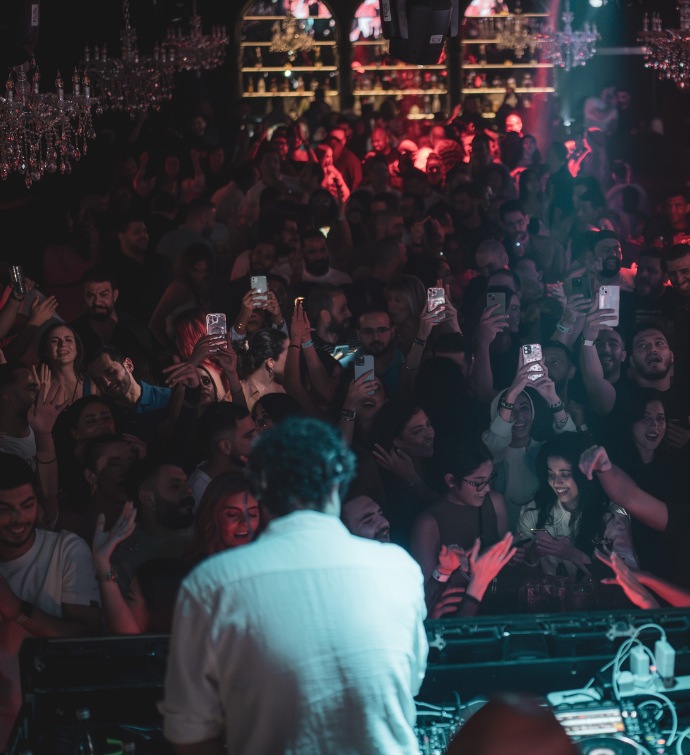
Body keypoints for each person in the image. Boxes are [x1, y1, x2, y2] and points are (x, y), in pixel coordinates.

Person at [162, 418, 427, 754]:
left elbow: (190, 735)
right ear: (339, 484)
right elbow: (410, 680)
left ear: (258, 489)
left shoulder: (212, 584)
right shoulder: (398, 568)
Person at [0, 453, 100, 750]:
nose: (18, 519)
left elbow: (88, 636)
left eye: (27, 506)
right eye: (4, 509)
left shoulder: (65, 550)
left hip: (54, 716)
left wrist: (17, 610)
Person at [519, 433, 637, 579]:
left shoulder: (611, 516)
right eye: (551, 474)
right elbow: (520, 576)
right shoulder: (534, 511)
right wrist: (531, 556)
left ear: (583, 475)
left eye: (566, 474)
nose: (556, 482)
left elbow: (628, 577)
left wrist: (574, 555)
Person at [192, 471, 262, 557]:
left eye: (252, 514)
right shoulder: (196, 567)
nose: (245, 522)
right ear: (211, 516)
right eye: (233, 514)